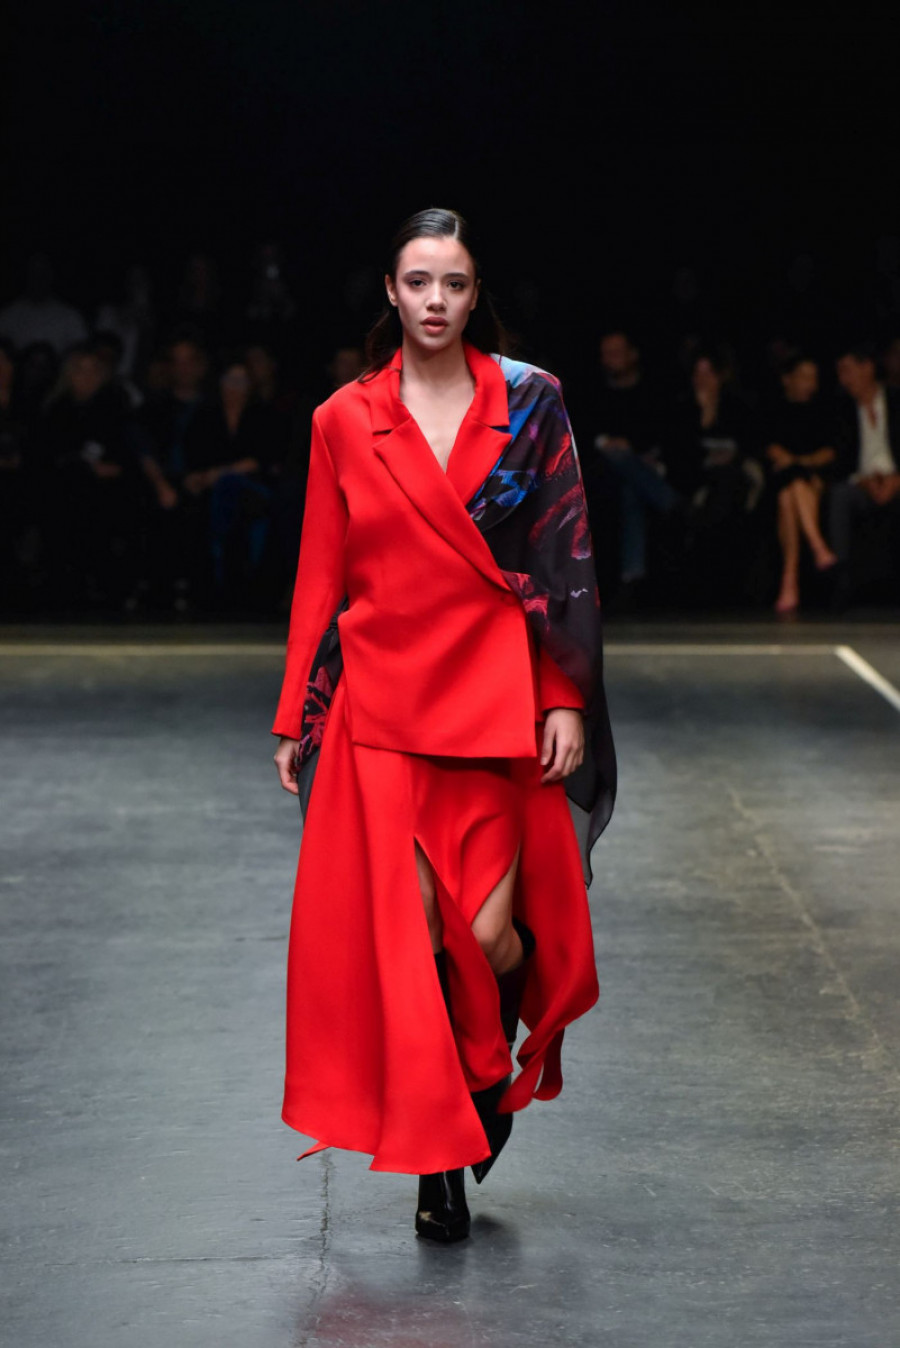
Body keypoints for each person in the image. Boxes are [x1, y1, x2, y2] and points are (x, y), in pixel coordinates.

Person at [271, 208, 616, 1245]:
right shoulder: (344, 418)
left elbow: (564, 557)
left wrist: (564, 696)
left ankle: (480, 1080)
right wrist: (296, 715)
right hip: (381, 707)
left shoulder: (531, 403)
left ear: (474, 295)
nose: (435, 300)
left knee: (490, 935)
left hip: (494, 702)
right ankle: (440, 1159)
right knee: (416, 932)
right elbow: (321, 570)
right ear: (390, 290)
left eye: (453, 283)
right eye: (417, 281)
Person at [764, 355, 837, 614]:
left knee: (793, 487)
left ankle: (789, 579)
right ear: (787, 379)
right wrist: (794, 464)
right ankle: (817, 547)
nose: (810, 384)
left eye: (813, 378)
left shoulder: (823, 411)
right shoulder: (774, 410)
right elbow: (771, 448)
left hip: (813, 478)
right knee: (788, 494)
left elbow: (829, 452)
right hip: (782, 481)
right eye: (804, 376)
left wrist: (800, 461)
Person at [829, 343, 900, 605]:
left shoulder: (895, 400)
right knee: (840, 496)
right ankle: (841, 581)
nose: (843, 379)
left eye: (847, 370)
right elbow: (840, 460)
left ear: (867, 367)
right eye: (840, 372)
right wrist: (863, 481)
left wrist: (896, 480)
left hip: (896, 479)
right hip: (860, 482)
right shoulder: (842, 409)